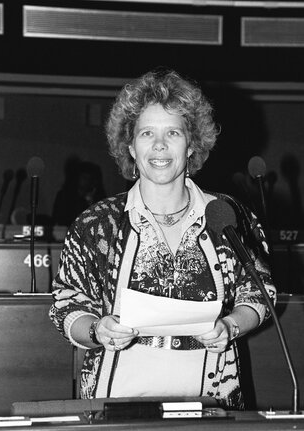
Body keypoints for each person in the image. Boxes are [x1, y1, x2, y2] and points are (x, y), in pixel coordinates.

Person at [49, 69, 276, 409]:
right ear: (130, 146)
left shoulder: (228, 215)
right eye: (146, 133)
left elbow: (260, 292)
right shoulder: (97, 223)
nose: (159, 145)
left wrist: (230, 326)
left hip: (214, 404)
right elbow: (66, 304)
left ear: (191, 144)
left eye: (173, 132)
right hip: (115, 402)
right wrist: (97, 330)